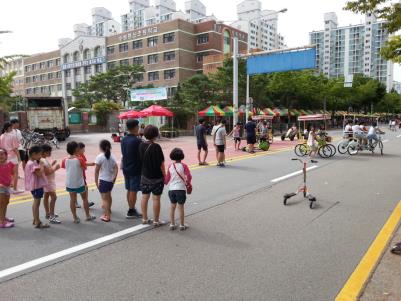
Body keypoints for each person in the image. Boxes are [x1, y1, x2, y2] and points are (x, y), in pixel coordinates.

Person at [62, 141, 96, 224]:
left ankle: (75, 217)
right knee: (84, 199)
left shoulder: (64, 159)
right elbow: (84, 168)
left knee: (72, 200)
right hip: (79, 182)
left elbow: (64, 167)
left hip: (70, 183)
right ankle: (88, 216)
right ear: (76, 149)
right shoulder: (80, 159)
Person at [139, 125, 166, 227]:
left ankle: (144, 219)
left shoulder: (141, 145)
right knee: (156, 199)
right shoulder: (156, 147)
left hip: (145, 175)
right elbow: (161, 163)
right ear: (155, 134)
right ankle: (156, 221)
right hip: (157, 177)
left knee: (144, 197)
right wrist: (165, 175)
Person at [165, 148, 192, 231]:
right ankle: (182, 225)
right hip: (180, 189)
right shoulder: (184, 166)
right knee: (181, 207)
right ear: (182, 156)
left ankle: (172, 224)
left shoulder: (170, 166)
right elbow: (189, 176)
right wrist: (187, 182)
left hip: (171, 189)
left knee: (172, 206)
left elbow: (167, 180)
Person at [121, 119, 143, 219]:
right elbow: (141, 155)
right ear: (135, 128)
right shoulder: (138, 141)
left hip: (126, 167)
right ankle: (131, 210)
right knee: (133, 190)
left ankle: (131, 208)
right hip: (135, 168)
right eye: (138, 126)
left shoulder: (124, 139)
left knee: (129, 189)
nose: (139, 128)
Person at [25, 145, 49, 229]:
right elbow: (38, 174)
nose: (40, 156)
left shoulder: (32, 162)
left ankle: (35, 219)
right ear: (34, 154)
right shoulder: (32, 163)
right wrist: (42, 165)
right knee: (37, 203)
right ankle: (38, 221)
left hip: (36, 186)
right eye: (39, 154)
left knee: (36, 202)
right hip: (36, 186)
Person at [95, 140, 118, 222]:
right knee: (108, 196)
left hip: (103, 180)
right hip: (110, 181)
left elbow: (96, 171)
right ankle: (109, 210)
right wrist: (114, 178)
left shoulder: (99, 157)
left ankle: (107, 216)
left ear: (101, 147)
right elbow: (116, 168)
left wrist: (96, 182)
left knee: (104, 199)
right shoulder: (112, 156)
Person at [0, 122, 23, 193]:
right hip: (13, 157)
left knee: (8, 173)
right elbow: (15, 148)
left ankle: (8, 187)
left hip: (5, 157)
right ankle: (15, 189)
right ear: (9, 128)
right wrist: (19, 158)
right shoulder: (13, 136)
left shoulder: (1, 136)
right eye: (11, 127)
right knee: (15, 173)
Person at [41, 144, 61, 224]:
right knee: (54, 197)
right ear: (44, 152)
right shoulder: (43, 160)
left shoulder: (43, 159)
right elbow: (47, 172)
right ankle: (51, 216)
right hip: (48, 182)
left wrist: (52, 165)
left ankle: (48, 213)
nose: (50, 153)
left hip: (46, 182)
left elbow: (46, 169)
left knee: (46, 196)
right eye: (49, 152)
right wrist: (55, 168)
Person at [0, 148, 17, 228]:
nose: (0, 156)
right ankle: (2, 222)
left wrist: (13, 182)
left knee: (6, 202)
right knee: (2, 203)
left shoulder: (10, 164)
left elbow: (13, 174)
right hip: (1, 187)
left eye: (2, 154)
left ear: (6, 155)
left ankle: (3, 217)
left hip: (7, 187)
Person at [77, 142, 95, 209]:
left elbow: (84, 163)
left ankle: (77, 202)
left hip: (82, 175)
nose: (84, 150)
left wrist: (90, 164)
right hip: (80, 176)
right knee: (85, 188)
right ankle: (86, 202)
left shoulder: (82, 155)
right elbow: (84, 165)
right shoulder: (77, 157)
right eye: (83, 149)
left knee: (76, 189)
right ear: (78, 149)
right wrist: (89, 165)